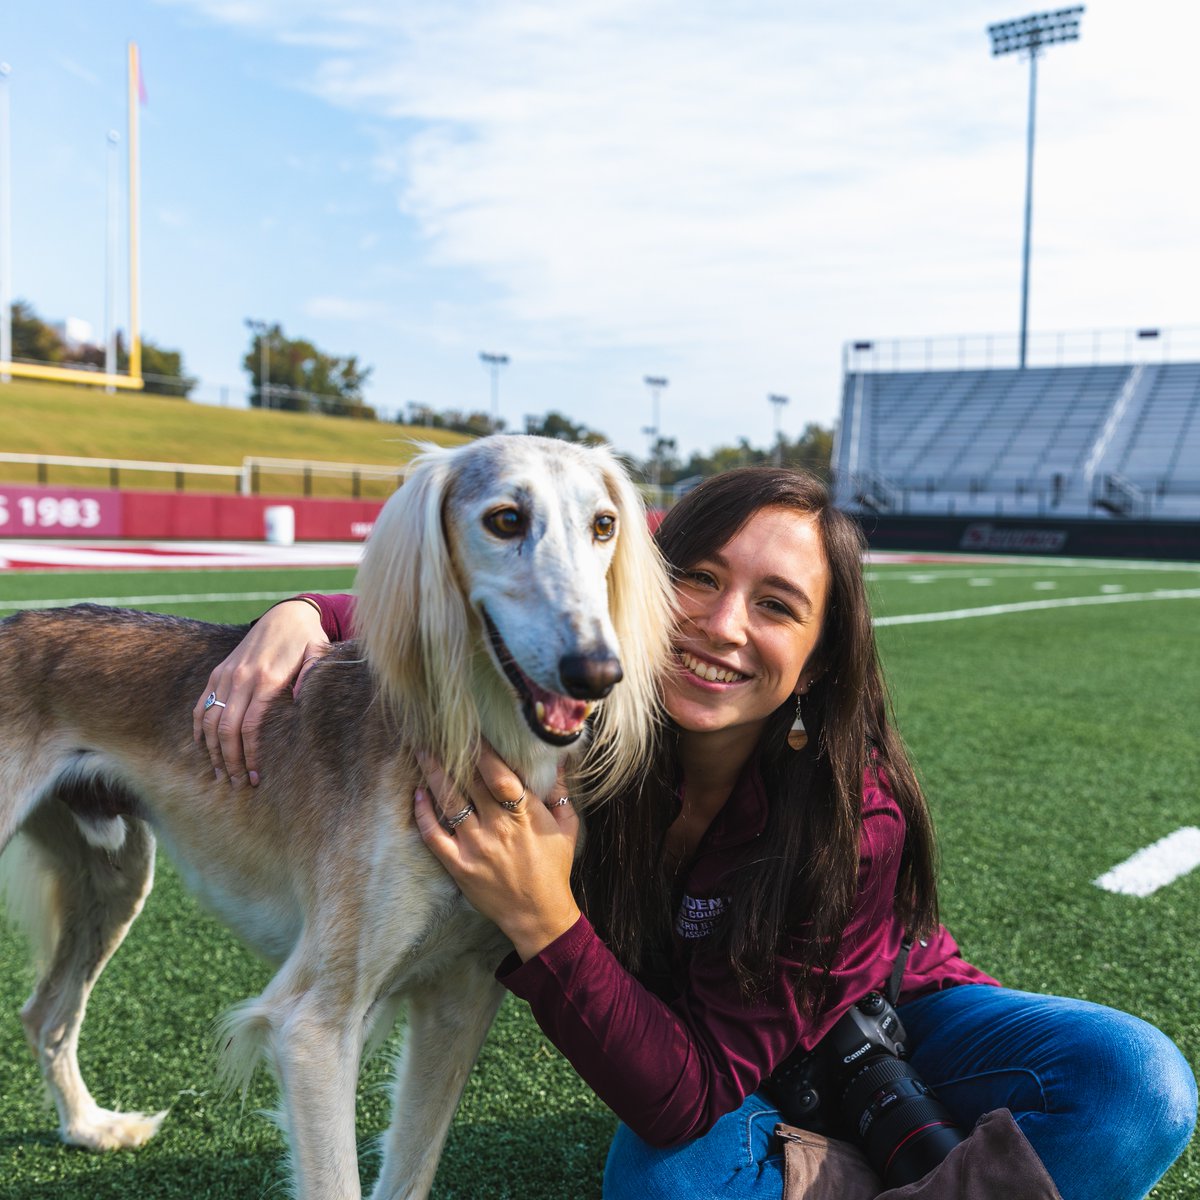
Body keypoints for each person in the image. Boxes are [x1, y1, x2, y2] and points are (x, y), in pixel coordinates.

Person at [194, 466, 1196, 1199]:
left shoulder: (858, 812)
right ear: (634, 582)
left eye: (775, 607)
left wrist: (545, 919)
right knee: (666, 1187)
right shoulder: (580, 721)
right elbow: (447, 609)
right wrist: (302, 615)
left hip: (882, 1020)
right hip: (705, 1057)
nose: (720, 626)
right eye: (700, 580)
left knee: (1137, 1087)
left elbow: (687, 1094)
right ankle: (885, 1165)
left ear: (813, 658)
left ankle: (842, 1164)